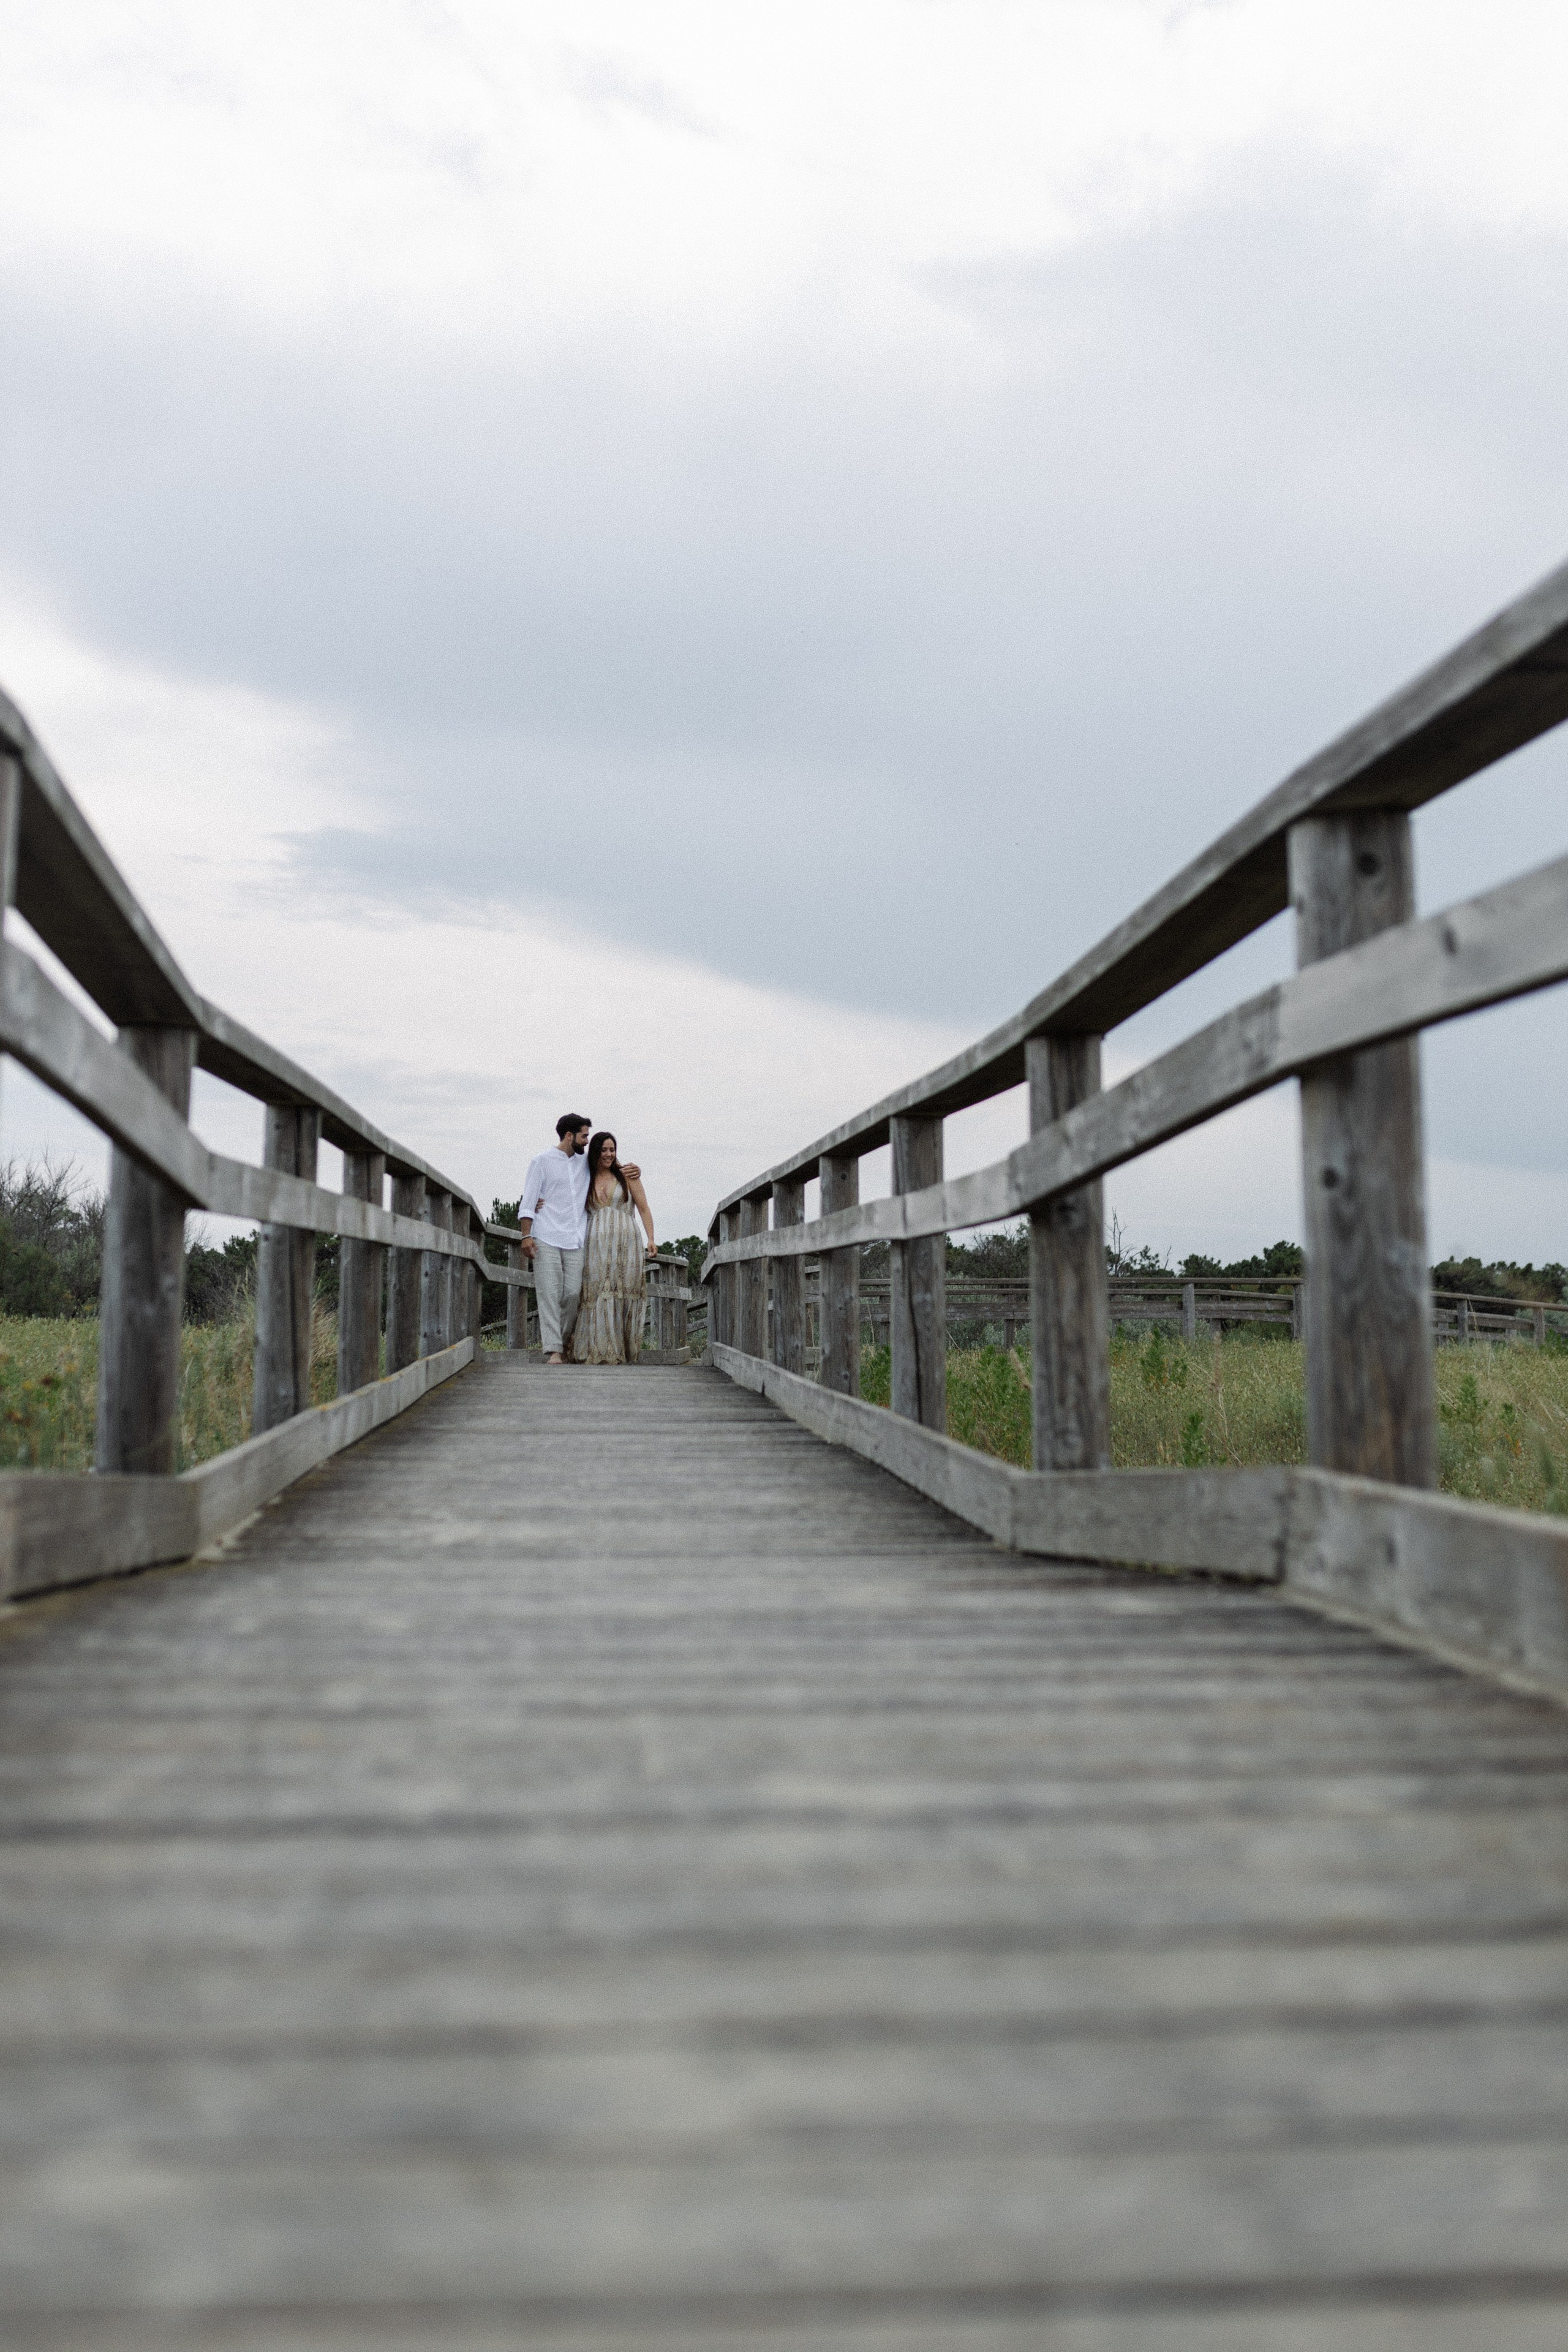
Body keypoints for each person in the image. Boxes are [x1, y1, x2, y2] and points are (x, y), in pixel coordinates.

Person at [518, 1116, 644, 1364]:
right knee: (549, 1293)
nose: (587, 1140)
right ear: (569, 1136)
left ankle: (564, 1343)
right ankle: (554, 1351)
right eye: (584, 1136)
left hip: (576, 1239)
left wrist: (634, 1169)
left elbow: (608, 1164)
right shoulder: (541, 1162)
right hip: (546, 1236)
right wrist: (526, 1235)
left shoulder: (584, 1163)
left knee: (574, 1294)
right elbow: (528, 1201)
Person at [571, 1131, 657, 1365]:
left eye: (613, 1150)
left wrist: (651, 1238)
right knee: (596, 1294)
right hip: (595, 1246)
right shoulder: (584, 1177)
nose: (609, 1154)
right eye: (604, 1150)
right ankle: (598, 1351)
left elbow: (644, 1208)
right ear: (595, 1151)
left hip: (625, 1244)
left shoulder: (627, 1175)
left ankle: (621, 1352)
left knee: (622, 1295)